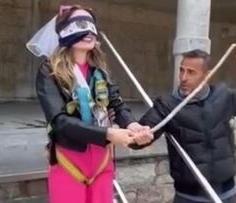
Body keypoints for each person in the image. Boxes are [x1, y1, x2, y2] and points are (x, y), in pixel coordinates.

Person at [28, 5, 151, 203]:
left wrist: (133, 126)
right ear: (64, 31)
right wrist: (109, 134)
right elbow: (60, 122)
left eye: (91, 24)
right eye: (79, 24)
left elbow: (117, 105)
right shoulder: (49, 73)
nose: (88, 30)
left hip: (102, 163)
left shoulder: (99, 71)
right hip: (69, 162)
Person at [130, 48, 236, 203]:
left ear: (207, 75)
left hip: (226, 194)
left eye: (191, 72)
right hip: (189, 197)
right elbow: (139, 136)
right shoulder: (167, 105)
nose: (183, 77)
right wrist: (138, 136)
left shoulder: (223, 96)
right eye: (182, 70)